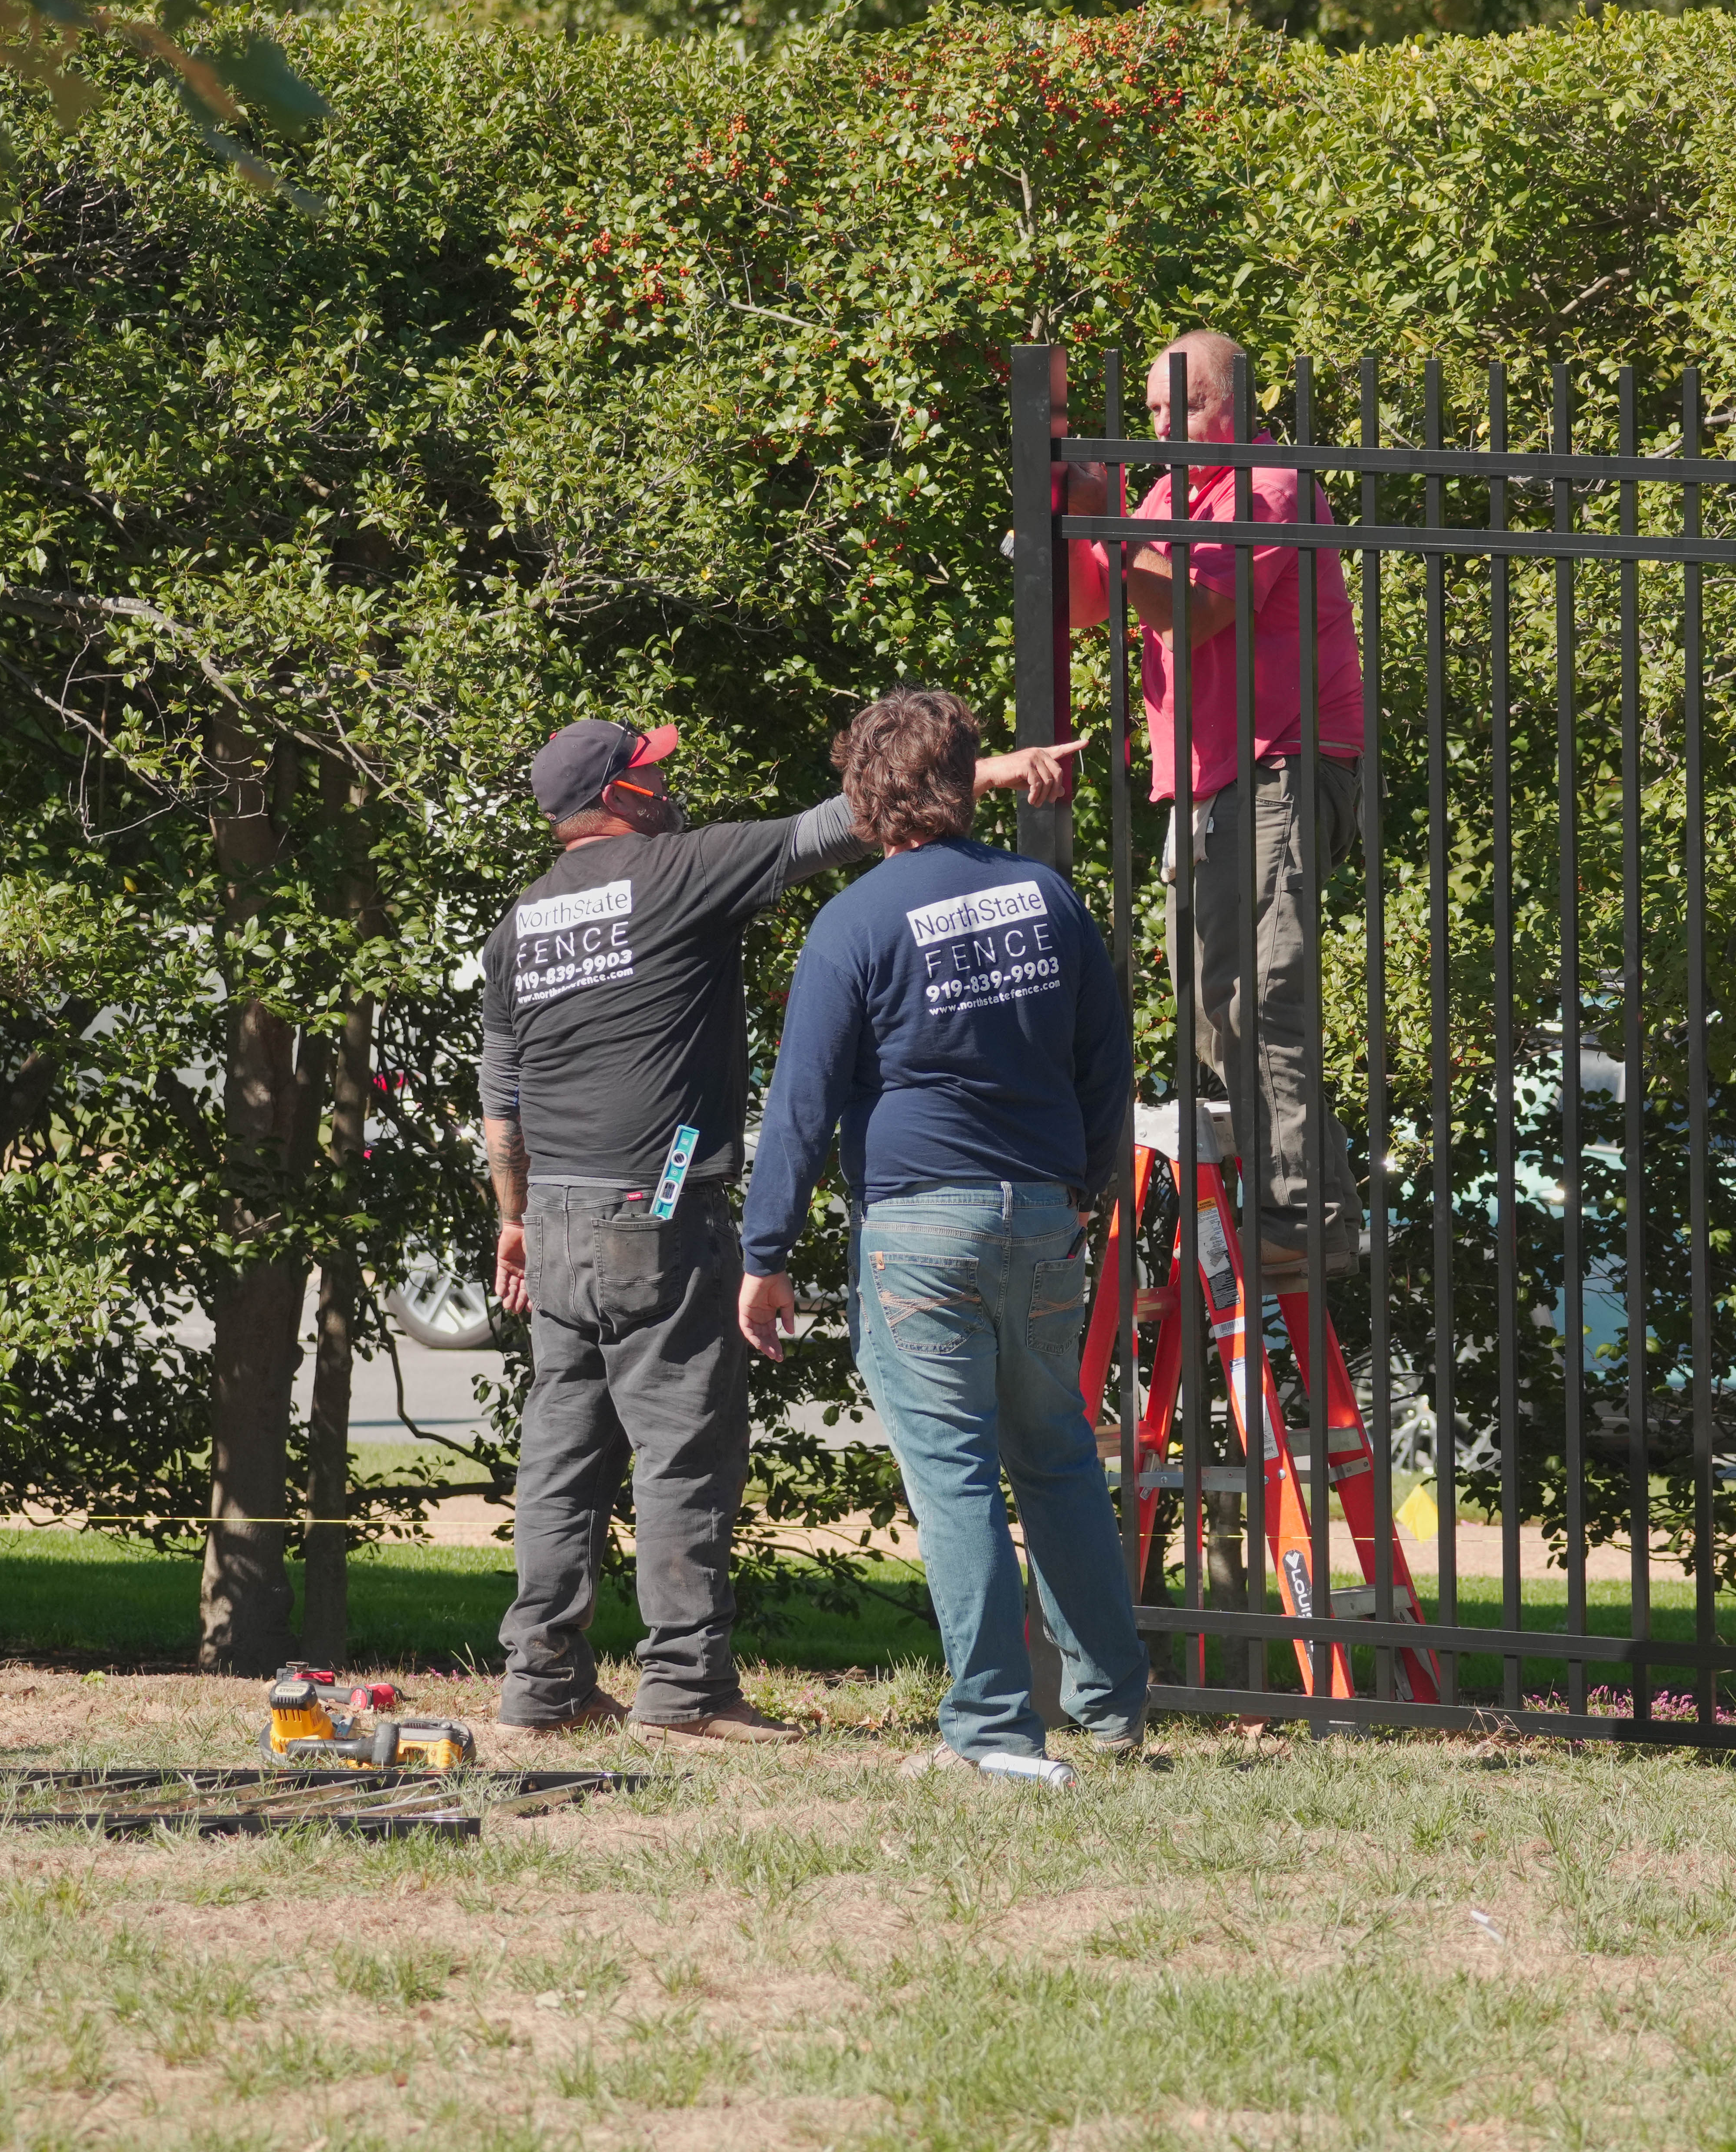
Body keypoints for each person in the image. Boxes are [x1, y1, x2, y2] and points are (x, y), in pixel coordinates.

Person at [478, 711, 1082, 1742]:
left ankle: (541, 1684)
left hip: (559, 1211)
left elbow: (501, 1096)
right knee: (685, 1447)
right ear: (616, 799)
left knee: (561, 1454)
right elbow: (836, 828)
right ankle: (686, 1688)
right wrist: (987, 771)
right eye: (652, 776)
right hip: (657, 1201)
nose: (669, 787)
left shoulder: (520, 923)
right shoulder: (675, 870)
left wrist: (514, 1216)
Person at [734, 687, 1147, 1775]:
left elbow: (802, 1102)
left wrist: (765, 1251)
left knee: (956, 1472)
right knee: (1057, 1454)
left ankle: (992, 1728)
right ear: (966, 781)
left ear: (866, 799)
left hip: (920, 1223)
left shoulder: (856, 921)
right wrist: (1087, 1184)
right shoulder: (1047, 896)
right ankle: (1112, 1709)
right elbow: (1107, 1061)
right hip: (1045, 1211)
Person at [1055, 332, 1365, 1282]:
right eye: (1152, 409)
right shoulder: (1173, 497)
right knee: (1211, 1000)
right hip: (1207, 777)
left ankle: (1305, 1216)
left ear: (1234, 403)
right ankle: (1301, 1200)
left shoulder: (1266, 485)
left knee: (1269, 987)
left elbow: (1193, 610)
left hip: (1282, 762)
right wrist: (1074, 514)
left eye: (1179, 408)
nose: (1160, 426)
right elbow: (1084, 607)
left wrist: (1111, 528)